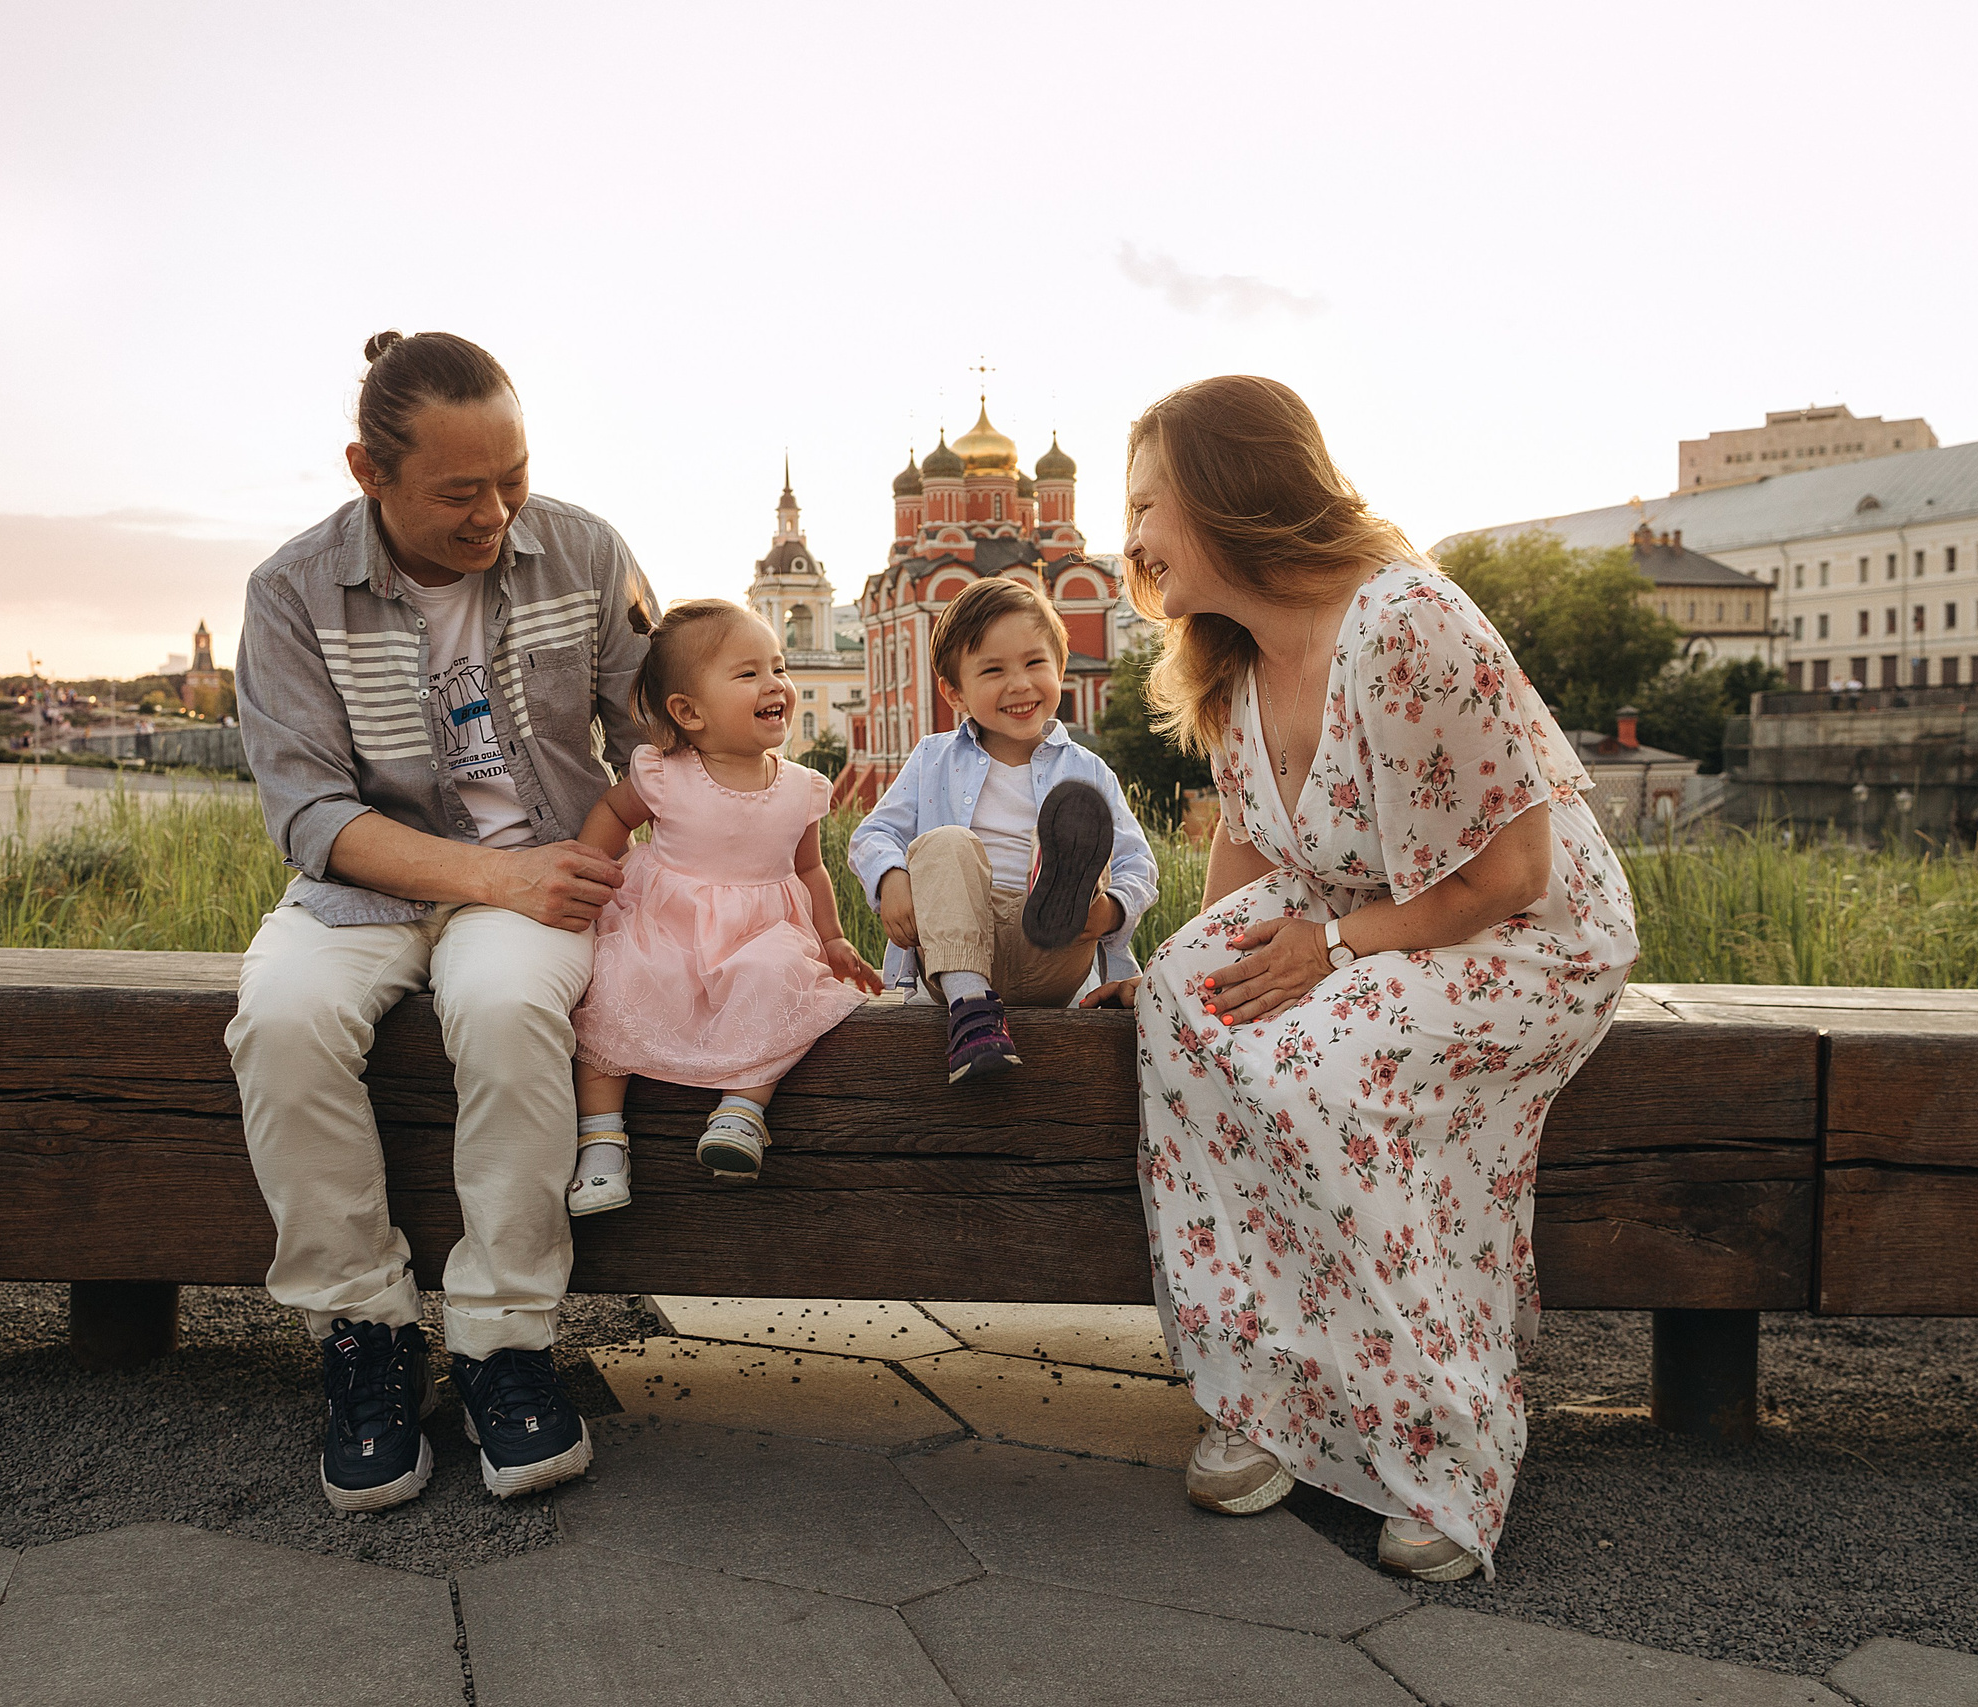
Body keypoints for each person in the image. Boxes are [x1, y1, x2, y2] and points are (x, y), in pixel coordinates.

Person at [1083, 376, 1638, 1582]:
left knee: (1327, 1062)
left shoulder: (1405, 621)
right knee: (1185, 1005)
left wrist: (1331, 953)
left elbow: (1514, 872)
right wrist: (1191, 962)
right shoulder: (1227, 660)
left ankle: (1447, 1443)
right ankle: (1267, 1393)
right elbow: (1249, 849)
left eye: (1145, 504)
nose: (1125, 540)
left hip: (1521, 934)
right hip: (1366, 911)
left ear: (1226, 495)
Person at [225, 330, 656, 1512]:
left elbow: (658, 735)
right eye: (461, 493)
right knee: (280, 1017)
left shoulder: (586, 551)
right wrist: (494, 881)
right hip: (369, 880)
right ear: (369, 469)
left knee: (510, 1005)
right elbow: (309, 812)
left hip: (545, 868)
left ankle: (504, 1340)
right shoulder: (290, 591)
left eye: (512, 477)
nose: (497, 516)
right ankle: (364, 1333)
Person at [564, 600, 883, 1211]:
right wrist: (592, 871)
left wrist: (834, 937)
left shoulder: (800, 788)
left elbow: (808, 866)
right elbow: (613, 813)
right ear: (689, 712)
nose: (776, 686)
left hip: (764, 930)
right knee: (618, 982)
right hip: (668, 922)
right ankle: (601, 1140)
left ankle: (742, 1109)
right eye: (748, 674)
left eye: (779, 668)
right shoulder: (664, 773)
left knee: (778, 976)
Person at [846, 575, 1158, 1083]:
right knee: (947, 844)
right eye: (993, 671)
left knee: (1083, 845)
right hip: (955, 948)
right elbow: (872, 835)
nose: (1019, 684)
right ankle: (972, 1009)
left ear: (1061, 668)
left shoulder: (1087, 771)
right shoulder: (933, 759)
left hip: (1054, 943)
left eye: (1036, 663)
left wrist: (1110, 911)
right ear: (955, 692)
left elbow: (1137, 864)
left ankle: (1064, 889)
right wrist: (891, 878)